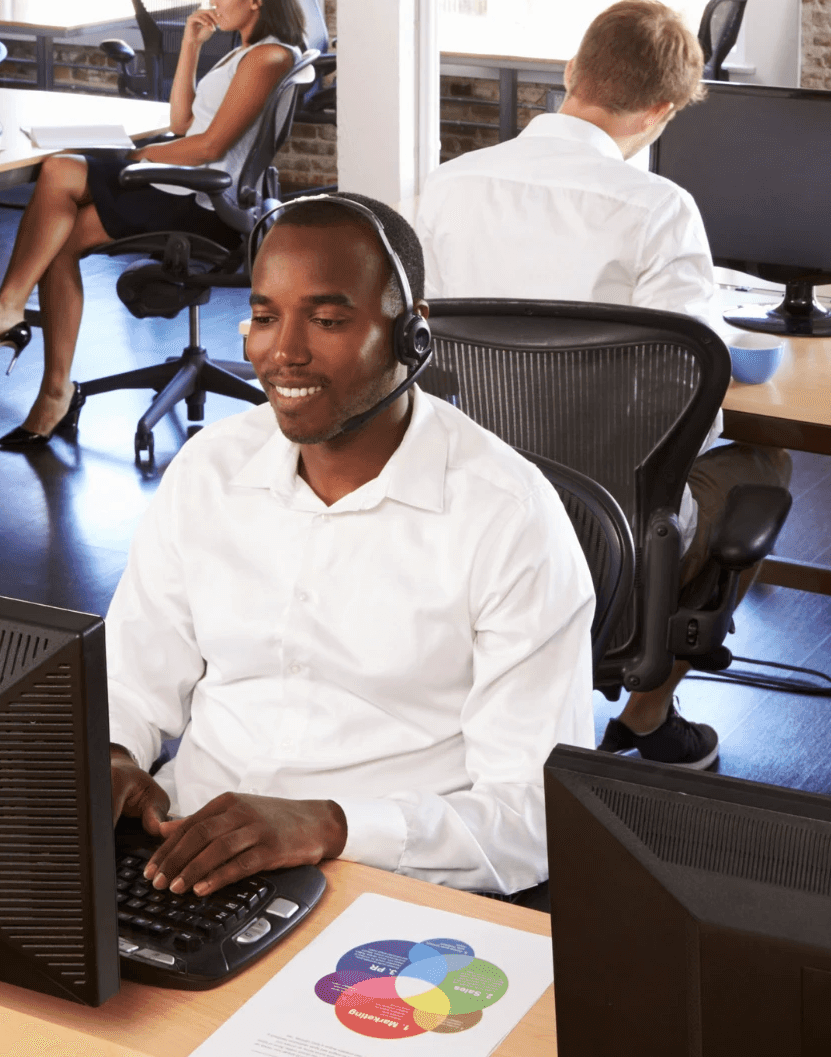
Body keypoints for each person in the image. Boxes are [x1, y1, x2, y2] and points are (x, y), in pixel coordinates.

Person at [105, 194, 594, 900]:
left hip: (386, 884)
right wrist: (115, 754)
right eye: (266, 316)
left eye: (328, 319)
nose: (284, 351)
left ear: (411, 337)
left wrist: (329, 826)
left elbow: (534, 817)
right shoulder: (210, 469)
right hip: (184, 860)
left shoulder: (509, 518)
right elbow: (131, 672)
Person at [413, 0, 782, 775]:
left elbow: (417, 360)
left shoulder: (444, 187)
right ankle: (646, 715)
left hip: (466, 514)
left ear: (571, 72)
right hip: (605, 528)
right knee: (762, 463)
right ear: (662, 108)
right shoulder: (659, 209)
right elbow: (696, 398)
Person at [0, 0, 309, 452]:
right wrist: (190, 46)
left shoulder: (269, 56)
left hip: (200, 200)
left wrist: (144, 159)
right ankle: (48, 382)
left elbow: (209, 145)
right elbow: (181, 122)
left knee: (59, 171)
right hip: (182, 181)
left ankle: (14, 317)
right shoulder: (245, 51)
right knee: (59, 233)